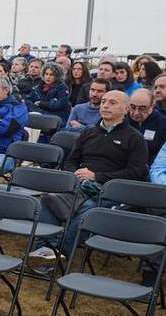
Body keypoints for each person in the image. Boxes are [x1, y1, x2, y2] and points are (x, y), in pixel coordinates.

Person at [30, 91, 149, 268]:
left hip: (109, 191)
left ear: (125, 109)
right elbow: (70, 161)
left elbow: (136, 172)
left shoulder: (134, 138)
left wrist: (97, 177)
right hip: (78, 184)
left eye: (112, 102)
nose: (105, 105)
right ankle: (45, 251)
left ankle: (58, 255)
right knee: (47, 201)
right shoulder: (89, 131)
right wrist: (77, 174)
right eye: (103, 101)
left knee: (87, 213)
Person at [127, 88, 166, 164]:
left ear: (152, 106)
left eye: (142, 109)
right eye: (132, 107)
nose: (136, 113)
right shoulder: (123, 121)